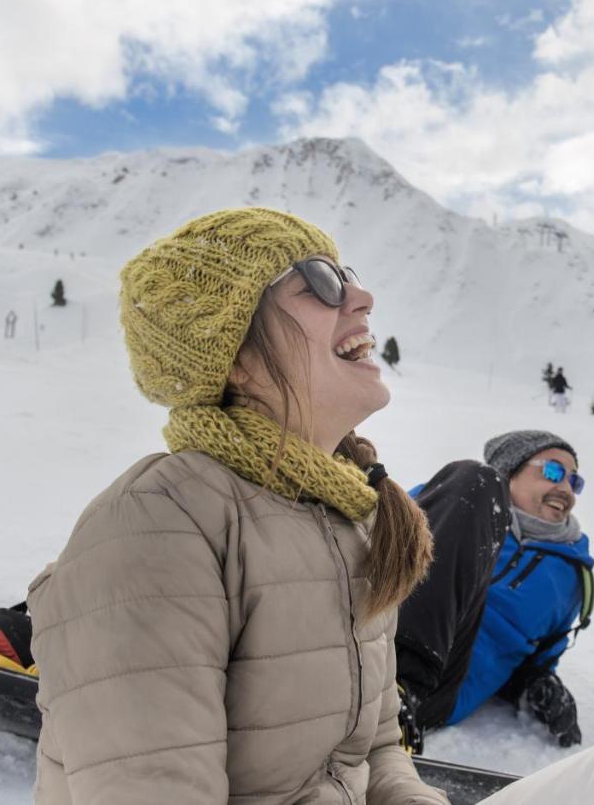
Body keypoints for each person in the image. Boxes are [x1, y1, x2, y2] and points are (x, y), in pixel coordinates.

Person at [25, 208, 446, 804]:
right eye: (320, 282)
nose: (364, 297)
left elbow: (375, 752)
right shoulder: (161, 520)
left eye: (348, 273)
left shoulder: (355, 516)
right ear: (236, 359)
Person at [395, 430, 594, 752]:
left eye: (576, 482)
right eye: (554, 472)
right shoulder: (448, 501)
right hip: (367, 641)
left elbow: (534, 660)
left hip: (433, 694)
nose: (566, 490)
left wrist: (537, 685)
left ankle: (400, 697)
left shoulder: (571, 574)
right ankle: (394, 688)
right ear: (508, 470)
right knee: (472, 478)